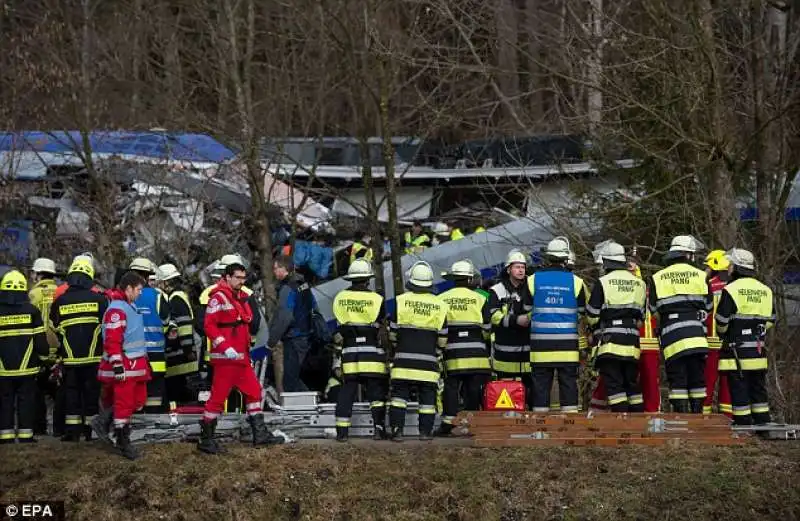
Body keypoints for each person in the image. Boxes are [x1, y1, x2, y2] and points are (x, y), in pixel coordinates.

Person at [197, 261, 283, 454]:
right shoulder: (218, 298)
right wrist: (225, 346)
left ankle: (259, 434)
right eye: (238, 278)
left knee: (254, 392)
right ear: (227, 277)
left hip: (241, 358)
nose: (241, 282)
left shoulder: (239, 298)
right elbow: (209, 326)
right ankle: (206, 438)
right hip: (226, 359)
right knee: (217, 399)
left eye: (244, 278)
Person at [649, 235, 711, 413]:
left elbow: (653, 309)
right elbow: (708, 306)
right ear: (688, 254)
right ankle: (698, 417)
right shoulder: (701, 276)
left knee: (677, 379)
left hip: (672, 336)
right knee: (697, 378)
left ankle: (681, 417)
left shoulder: (657, 277)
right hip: (697, 336)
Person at [387, 261, 448, 441]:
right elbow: (443, 338)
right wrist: (436, 350)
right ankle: (425, 433)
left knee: (399, 398)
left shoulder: (401, 301)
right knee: (427, 401)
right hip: (428, 363)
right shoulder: (439, 305)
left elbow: (392, 333)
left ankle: (397, 432)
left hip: (403, 362)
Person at [715, 248, 776, 426]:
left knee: (739, 389)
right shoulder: (765, 290)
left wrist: (724, 332)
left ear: (736, 267)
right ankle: (763, 423)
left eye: (730, 265)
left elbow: (721, 320)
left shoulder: (731, 289)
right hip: (758, 350)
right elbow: (771, 319)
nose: (728, 268)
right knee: (758, 389)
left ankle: (743, 424)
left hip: (736, 352)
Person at [49, 257, 107, 441]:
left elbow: (54, 330)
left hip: (70, 360)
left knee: (72, 394)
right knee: (91, 395)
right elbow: (106, 328)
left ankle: (72, 433)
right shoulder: (99, 300)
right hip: (93, 359)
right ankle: (91, 432)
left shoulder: (60, 301)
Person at [93, 271, 150, 460]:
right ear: (128, 289)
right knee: (124, 404)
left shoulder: (128, 306)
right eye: (139, 289)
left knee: (137, 400)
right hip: (125, 367)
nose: (140, 293)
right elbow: (112, 340)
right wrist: (118, 365)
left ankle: (104, 422)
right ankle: (123, 441)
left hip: (135, 367)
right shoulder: (117, 310)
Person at [527, 237, 587, 413]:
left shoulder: (533, 280)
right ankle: (569, 426)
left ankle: (540, 428)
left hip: (540, 346)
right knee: (568, 383)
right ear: (565, 258)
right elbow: (583, 311)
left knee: (540, 386)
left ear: (548, 257)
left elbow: (525, 309)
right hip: (567, 345)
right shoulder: (577, 282)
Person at [585, 241, 646, 412]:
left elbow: (591, 315)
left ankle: (622, 422)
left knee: (614, 385)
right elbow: (641, 317)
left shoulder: (603, 282)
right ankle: (637, 423)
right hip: (632, 342)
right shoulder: (639, 283)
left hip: (610, 342)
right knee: (632, 386)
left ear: (607, 262)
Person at [331, 259, 388, 442]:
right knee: (376, 394)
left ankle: (342, 433)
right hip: (371, 352)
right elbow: (380, 324)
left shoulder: (340, 297)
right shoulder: (377, 299)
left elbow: (339, 325)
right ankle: (379, 430)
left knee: (347, 392)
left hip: (349, 353)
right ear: (367, 279)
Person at [436, 260, 490, 436]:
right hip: (477, 354)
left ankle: (448, 424)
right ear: (469, 279)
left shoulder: (441, 299)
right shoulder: (481, 298)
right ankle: (470, 424)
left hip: (453, 353)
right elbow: (489, 328)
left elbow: (439, 328)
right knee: (473, 389)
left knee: (451, 387)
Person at [0, 270, 49, 444]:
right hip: (27, 368)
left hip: (3, 370)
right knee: (26, 400)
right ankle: (26, 435)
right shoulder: (32, 311)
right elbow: (40, 341)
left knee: (4, 401)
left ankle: (4, 436)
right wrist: (45, 360)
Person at [487, 250, 533, 407]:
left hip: (528, 353)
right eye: (517, 267)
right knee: (505, 394)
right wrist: (515, 321)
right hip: (504, 353)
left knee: (531, 393)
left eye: (523, 267)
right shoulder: (496, 290)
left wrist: (529, 319)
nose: (521, 270)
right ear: (508, 269)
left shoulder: (531, 287)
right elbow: (493, 316)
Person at [268, 255, 318, 393]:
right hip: (306, 335)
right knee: (293, 377)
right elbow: (314, 306)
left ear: (284, 269)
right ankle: (308, 402)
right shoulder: (303, 285)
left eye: (276, 268)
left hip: (294, 337)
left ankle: (307, 405)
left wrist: (271, 341)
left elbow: (284, 317)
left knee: (289, 380)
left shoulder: (288, 289)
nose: (274, 271)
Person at [129, 257, 170, 413]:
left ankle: (135, 422)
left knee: (134, 390)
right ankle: (153, 423)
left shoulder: (124, 296)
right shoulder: (157, 296)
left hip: (132, 353)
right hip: (155, 355)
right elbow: (166, 321)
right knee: (154, 392)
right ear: (148, 276)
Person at [28, 257, 60, 436]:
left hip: (39, 347)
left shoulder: (34, 294)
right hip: (59, 347)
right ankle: (59, 429)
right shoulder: (59, 291)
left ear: (38, 274)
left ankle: (39, 428)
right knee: (58, 391)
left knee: (38, 390)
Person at [159, 264, 199, 405]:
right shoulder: (178, 296)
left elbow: (184, 325)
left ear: (166, 282)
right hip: (181, 354)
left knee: (181, 395)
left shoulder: (175, 299)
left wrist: (187, 349)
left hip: (180, 355)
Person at [703, 250, 733, 416]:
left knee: (707, 381)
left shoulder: (708, 286)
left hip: (710, 341)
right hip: (730, 341)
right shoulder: (735, 286)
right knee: (728, 382)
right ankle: (727, 418)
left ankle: (703, 417)